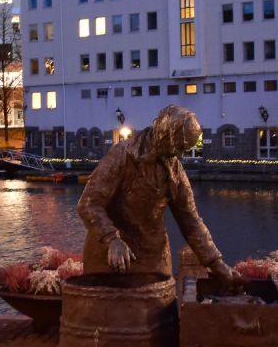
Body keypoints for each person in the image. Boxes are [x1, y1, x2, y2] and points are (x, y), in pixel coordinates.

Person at [78, 105, 237, 281]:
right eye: (179, 147)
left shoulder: (174, 168)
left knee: (158, 305)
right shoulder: (122, 155)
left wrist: (216, 262)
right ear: (165, 135)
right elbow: (89, 204)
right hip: (110, 257)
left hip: (152, 258)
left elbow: (190, 220)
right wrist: (112, 239)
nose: (180, 154)